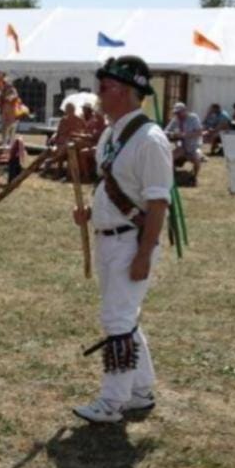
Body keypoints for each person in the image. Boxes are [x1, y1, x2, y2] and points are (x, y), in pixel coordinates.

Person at [71, 55, 171, 424]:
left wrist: (144, 254)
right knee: (125, 317)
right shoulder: (110, 135)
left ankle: (112, 402)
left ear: (129, 93)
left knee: (116, 318)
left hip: (132, 242)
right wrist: (92, 214)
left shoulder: (150, 139)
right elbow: (114, 186)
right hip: (110, 239)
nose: (98, 93)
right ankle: (140, 392)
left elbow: (158, 203)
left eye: (105, 87)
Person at [165, 102, 203, 185]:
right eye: (176, 113)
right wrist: (172, 134)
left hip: (193, 147)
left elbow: (199, 132)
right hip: (181, 147)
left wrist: (184, 135)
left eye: (179, 112)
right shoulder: (175, 120)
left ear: (185, 110)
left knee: (197, 160)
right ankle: (171, 177)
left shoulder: (193, 118)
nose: (177, 115)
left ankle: (194, 177)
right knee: (170, 157)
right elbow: (166, 131)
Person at [45, 101, 85, 178]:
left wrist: (75, 132)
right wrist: (57, 136)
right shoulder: (63, 120)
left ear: (73, 110)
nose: (69, 111)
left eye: (70, 109)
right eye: (68, 109)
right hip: (62, 141)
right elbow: (59, 131)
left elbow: (84, 130)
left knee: (65, 147)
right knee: (60, 148)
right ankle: (57, 169)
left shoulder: (79, 120)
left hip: (71, 141)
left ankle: (52, 162)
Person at [0, 80, 19, 146]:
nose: (4, 84)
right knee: (4, 126)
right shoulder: (2, 91)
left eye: (5, 83)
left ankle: (11, 142)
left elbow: (15, 97)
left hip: (12, 110)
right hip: (4, 110)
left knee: (12, 126)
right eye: (4, 83)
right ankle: (4, 141)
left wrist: (10, 98)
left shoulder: (13, 90)